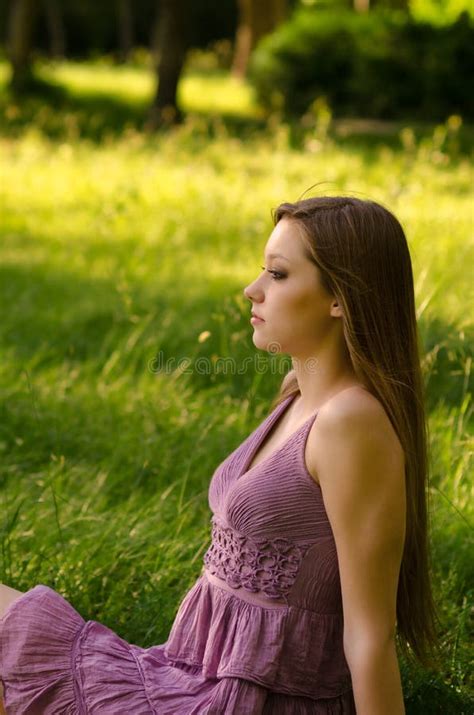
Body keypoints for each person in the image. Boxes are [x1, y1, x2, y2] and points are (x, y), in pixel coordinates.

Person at [0, 195, 439, 714]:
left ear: (339, 298)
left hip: (236, 701)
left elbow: (371, 638)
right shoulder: (300, 392)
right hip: (184, 674)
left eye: (277, 275)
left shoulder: (351, 425)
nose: (252, 291)